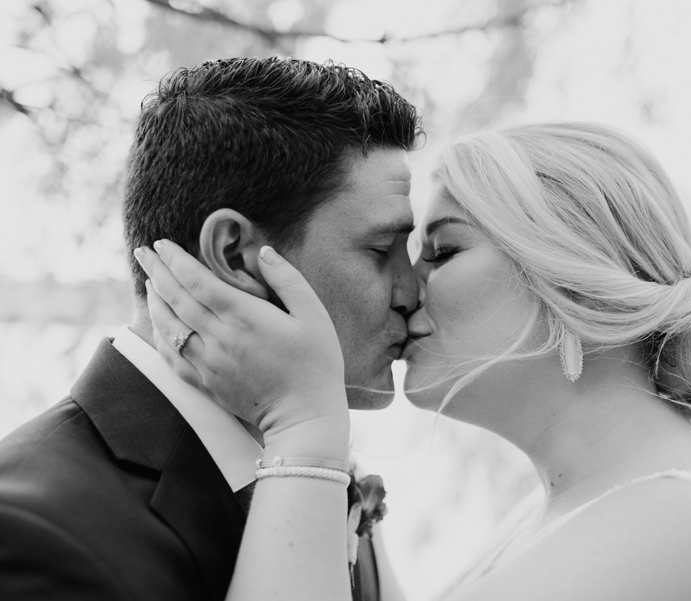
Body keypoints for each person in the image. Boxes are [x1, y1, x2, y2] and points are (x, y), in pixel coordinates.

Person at [137, 122, 691, 600]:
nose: (405, 290)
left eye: (442, 250)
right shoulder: (575, 507)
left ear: (568, 275)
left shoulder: (680, 527)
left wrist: (303, 431)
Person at [0, 57, 420, 600]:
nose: (412, 294)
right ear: (235, 257)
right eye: (382, 250)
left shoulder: (320, 460)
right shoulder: (31, 532)